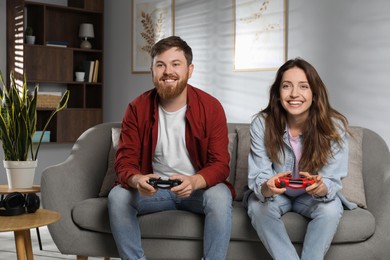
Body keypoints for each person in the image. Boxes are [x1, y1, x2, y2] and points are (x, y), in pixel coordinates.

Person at [108, 36, 235, 260]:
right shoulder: (136, 108)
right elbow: (124, 161)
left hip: (198, 190)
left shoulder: (211, 107)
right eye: (161, 65)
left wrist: (195, 181)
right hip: (156, 191)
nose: (168, 71)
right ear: (152, 71)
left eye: (176, 64)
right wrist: (138, 180)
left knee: (220, 196)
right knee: (118, 197)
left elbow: (220, 164)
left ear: (190, 69)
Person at [246, 58, 354, 260]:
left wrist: (321, 188)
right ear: (278, 94)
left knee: (331, 209)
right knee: (256, 206)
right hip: (277, 195)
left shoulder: (334, 126)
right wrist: (267, 187)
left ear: (314, 93)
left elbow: (331, 180)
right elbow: (260, 176)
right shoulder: (261, 124)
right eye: (286, 86)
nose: (294, 94)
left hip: (311, 197)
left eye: (303, 86)